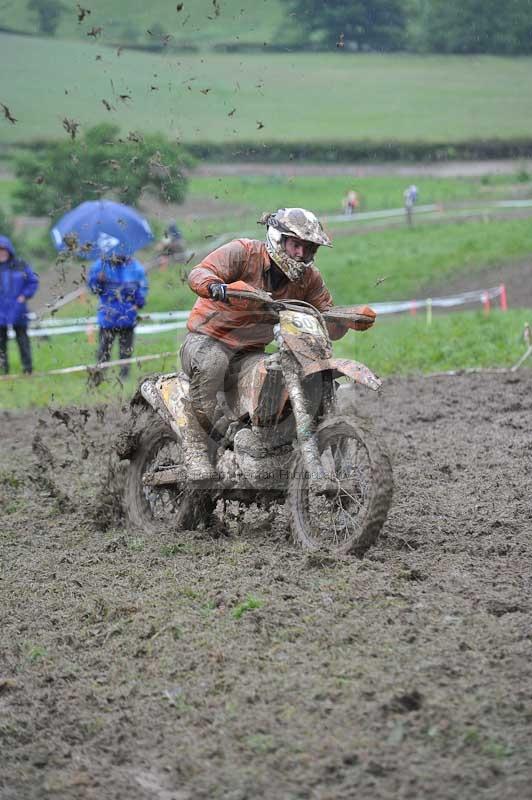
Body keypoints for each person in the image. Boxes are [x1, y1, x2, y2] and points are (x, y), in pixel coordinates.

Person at [180, 207, 376, 481]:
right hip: (206, 340)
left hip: (250, 351)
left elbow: (326, 315)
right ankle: (196, 450)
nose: (301, 254)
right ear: (278, 238)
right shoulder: (243, 252)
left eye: (308, 249)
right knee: (214, 363)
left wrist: (349, 319)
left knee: (274, 375)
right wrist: (214, 286)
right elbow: (200, 272)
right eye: (297, 245)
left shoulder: (309, 279)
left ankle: (265, 443)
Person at [87, 253, 148, 379]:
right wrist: (98, 280)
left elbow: (143, 287)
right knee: (104, 349)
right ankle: (99, 375)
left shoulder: (135, 267)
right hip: (107, 316)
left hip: (128, 315)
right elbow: (92, 288)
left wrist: (138, 303)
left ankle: (124, 377)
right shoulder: (101, 265)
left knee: (126, 350)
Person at [0, 235, 39, 375]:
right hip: (0, 311)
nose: (2, 253)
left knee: (23, 340)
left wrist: (24, 295)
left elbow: (32, 281)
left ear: (9, 250)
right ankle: (3, 371)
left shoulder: (20, 265)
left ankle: (27, 369)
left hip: (18, 309)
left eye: (3, 250)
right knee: (1, 343)